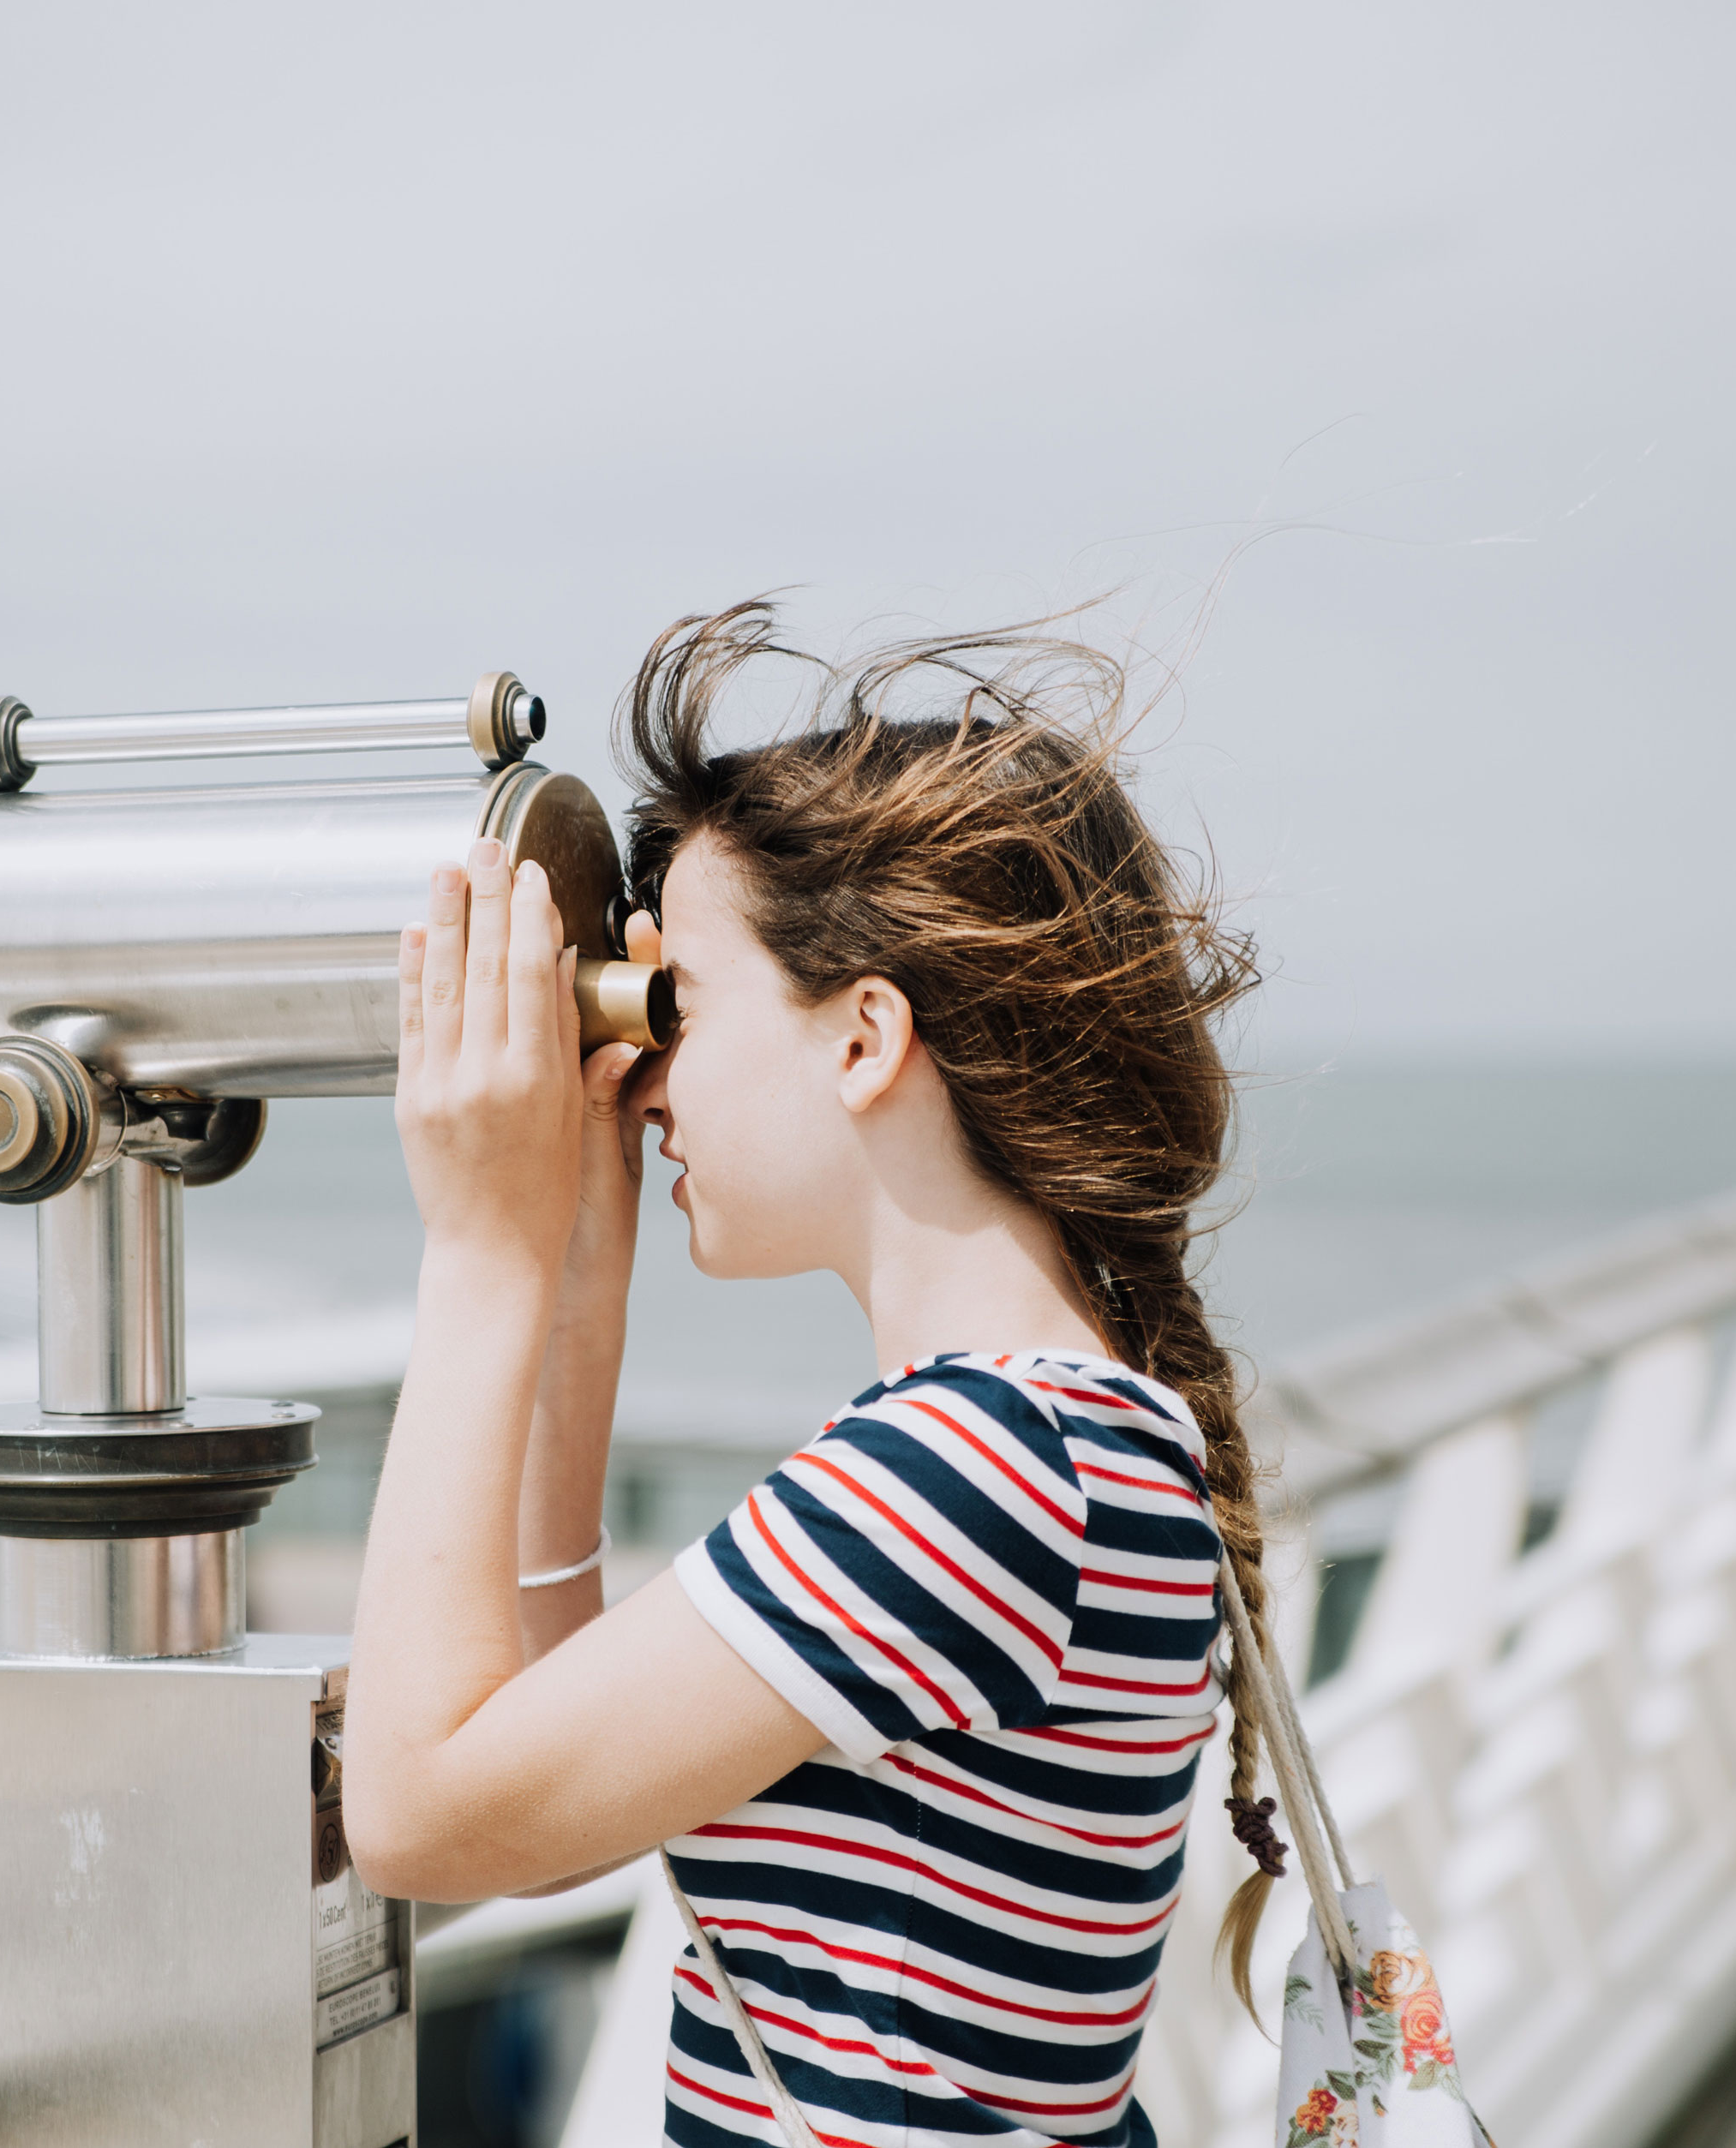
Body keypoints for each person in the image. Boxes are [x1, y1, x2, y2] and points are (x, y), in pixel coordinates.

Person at [346, 601, 1281, 2148]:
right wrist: (579, 1283)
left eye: (681, 1006)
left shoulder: (973, 1470)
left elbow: (414, 1817)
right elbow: (534, 1819)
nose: (645, 1079)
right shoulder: (1077, 1433)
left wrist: (478, 1252)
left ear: (863, 1039)